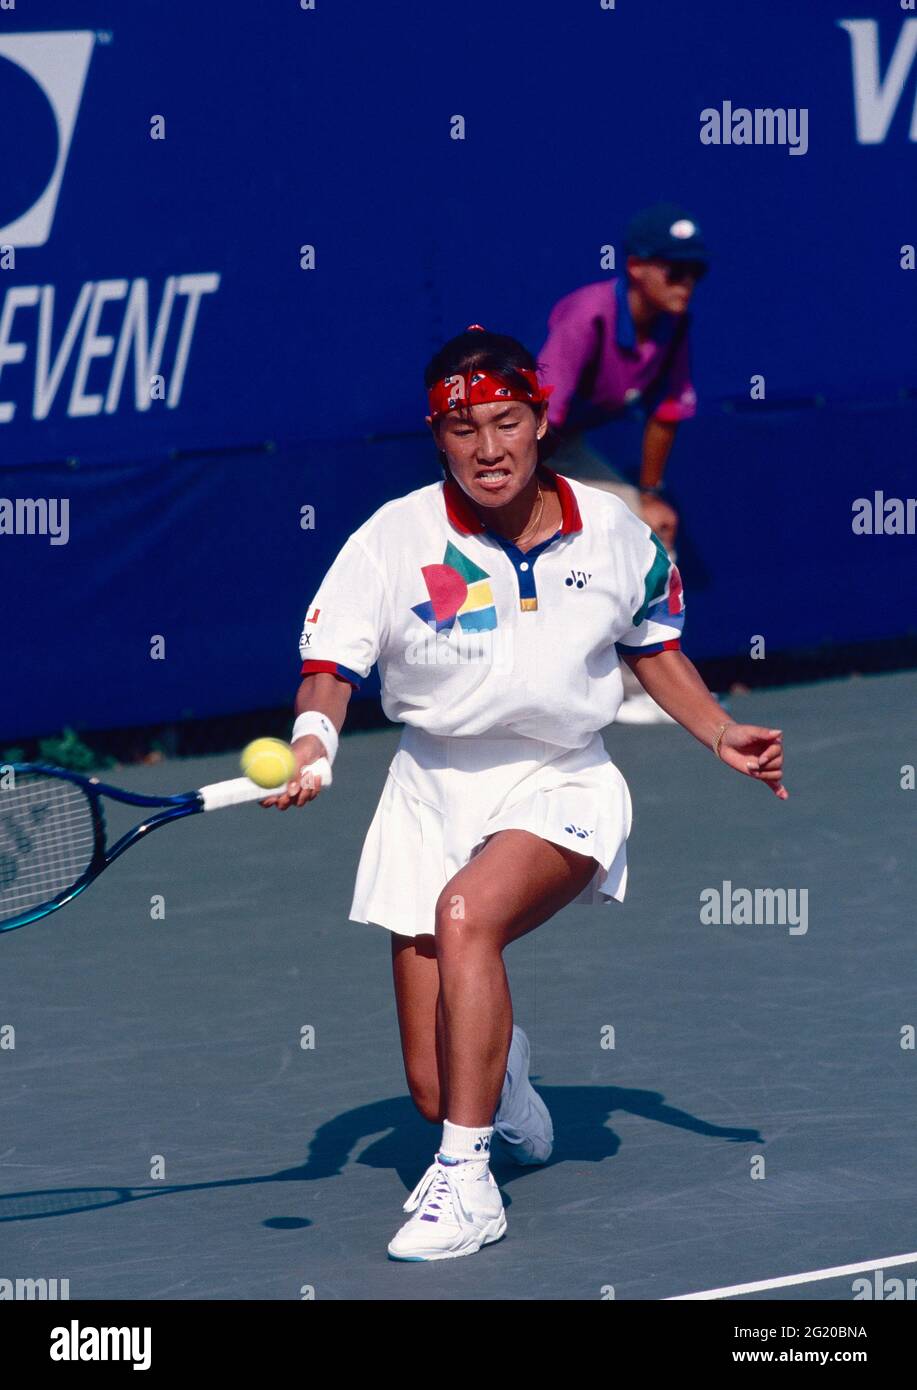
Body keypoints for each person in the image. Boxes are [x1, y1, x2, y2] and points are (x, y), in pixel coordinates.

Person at [264, 325, 787, 1263]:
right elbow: (329, 666)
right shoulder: (390, 539)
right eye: (464, 432)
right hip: (429, 788)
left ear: (541, 420)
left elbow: (652, 646)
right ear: (438, 438)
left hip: (561, 777)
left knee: (466, 913)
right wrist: (314, 739)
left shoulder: (614, 530)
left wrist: (717, 730)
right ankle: (498, 1088)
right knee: (431, 1086)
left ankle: (467, 1185)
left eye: (507, 423)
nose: (488, 449)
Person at [538, 203, 708, 723]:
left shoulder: (673, 324)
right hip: (528, 441)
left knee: (649, 528)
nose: (686, 283)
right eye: (674, 271)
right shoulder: (587, 314)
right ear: (635, 267)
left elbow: (666, 410)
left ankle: (639, 690)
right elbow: (543, 414)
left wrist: (651, 490)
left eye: (695, 271)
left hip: (565, 444)